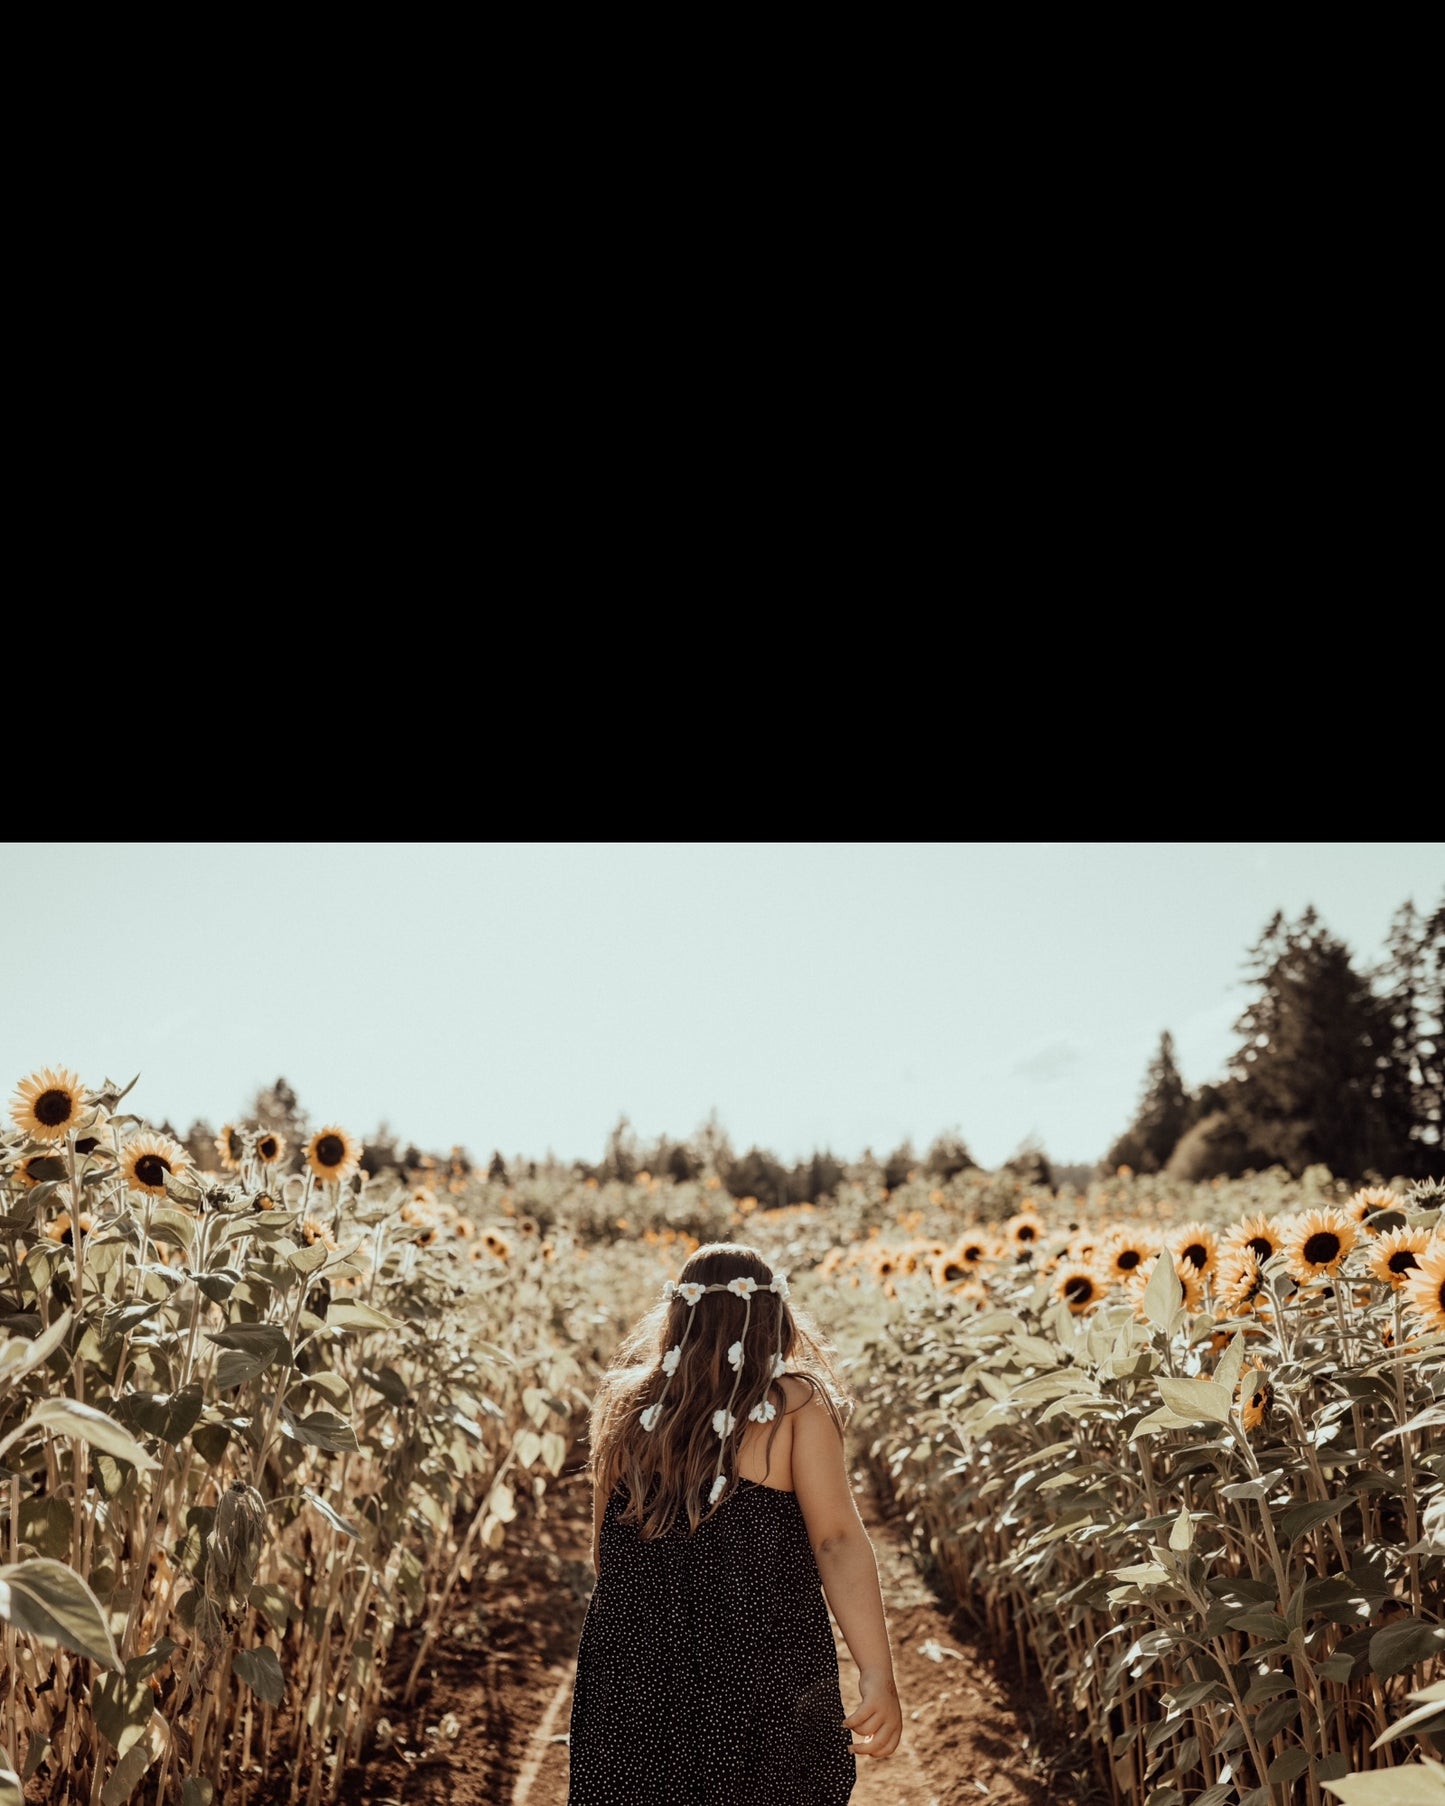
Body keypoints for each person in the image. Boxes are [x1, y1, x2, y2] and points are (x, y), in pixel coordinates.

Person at [567, 1241, 902, 1805]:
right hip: (758, 1678)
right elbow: (837, 1542)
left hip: (631, 1676)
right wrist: (877, 1674)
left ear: (677, 1316)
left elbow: (606, 1552)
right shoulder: (793, 1407)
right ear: (776, 1320)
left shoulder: (626, 1407)